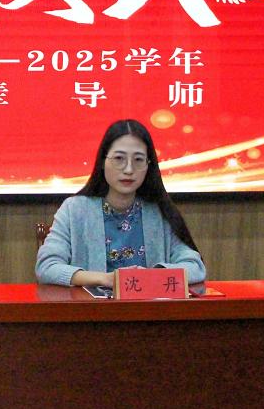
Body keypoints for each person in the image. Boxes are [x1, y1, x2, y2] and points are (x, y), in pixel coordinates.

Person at [36, 119, 205, 287]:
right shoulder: (74, 210)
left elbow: (195, 267)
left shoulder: (158, 211)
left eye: (138, 160)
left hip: (148, 304)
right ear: (103, 162)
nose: (129, 169)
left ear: (148, 165)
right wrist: (104, 279)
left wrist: (153, 276)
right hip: (90, 304)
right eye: (119, 158)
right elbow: (47, 267)